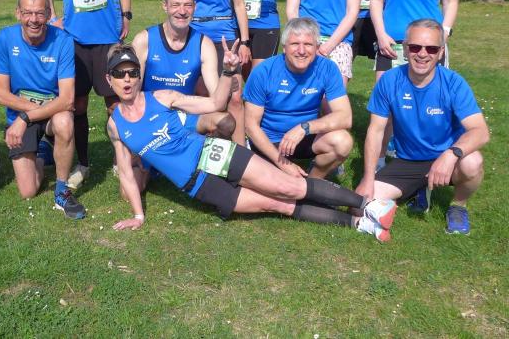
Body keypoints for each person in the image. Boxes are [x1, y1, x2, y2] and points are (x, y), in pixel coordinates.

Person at [104, 43, 397, 242]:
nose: (127, 79)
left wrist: (227, 71)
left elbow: (215, 103)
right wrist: (138, 215)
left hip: (213, 153)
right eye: (119, 74)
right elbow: (126, 173)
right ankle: (359, 224)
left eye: (133, 72)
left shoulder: (162, 97)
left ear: (139, 76)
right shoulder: (116, 126)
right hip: (197, 185)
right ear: (109, 80)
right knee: (278, 205)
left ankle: (370, 205)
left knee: (289, 187)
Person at [38, 0, 132, 190]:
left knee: (114, 105)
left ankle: (121, 159)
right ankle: (84, 163)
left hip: (107, 39)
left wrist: (126, 15)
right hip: (74, 41)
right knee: (76, 106)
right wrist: (52, 18)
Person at [356, 19, 489, 235]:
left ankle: (458, 206)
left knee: (473, 162)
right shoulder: (389, 80)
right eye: (415, 47)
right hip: (407, 160)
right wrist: (368, 178)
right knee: (360, 205)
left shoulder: (453, 83)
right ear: (405, 48)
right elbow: (375, 131)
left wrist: (451, 154)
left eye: (431, 49)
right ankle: (419, 189)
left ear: (441, 52)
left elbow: (480, 132)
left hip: (446, 160)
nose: (422, 54)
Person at [0, 0, 86, 219]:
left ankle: (61, 190)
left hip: (49, 116)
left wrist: (25, 117)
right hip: (28, 114)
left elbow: (67, 99)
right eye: (27, 13)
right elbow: (0, 94)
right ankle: (43, 152)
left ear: (48, 14)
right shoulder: (5, 38)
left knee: (64, 122)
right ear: (18, 13)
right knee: (28, 191)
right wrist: (35, 111)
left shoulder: (63, 41)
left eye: (40, 13)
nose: (33, 19)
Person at [170, 0, 251, 143]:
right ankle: (198, 147)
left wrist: (245, 42)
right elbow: (175, 6)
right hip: (194, 39)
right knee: (201, 96)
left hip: (226, 39)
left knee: (235, 97)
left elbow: (239, 4)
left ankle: (240, 150)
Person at [243, 18, 353, 179]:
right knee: (278, 189)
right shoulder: (263, 71)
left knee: (343, 141)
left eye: (308, 44)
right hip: (269, 141)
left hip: (304, 137)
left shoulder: (328, 68)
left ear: (317, 47)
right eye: (295, 44)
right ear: (284, 47)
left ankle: (313, 182)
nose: (301, 51)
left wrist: (304, 128)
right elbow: (251, 126)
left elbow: (345, 117)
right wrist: (283, 164)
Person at [131, 0, 234, 138]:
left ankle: (200, 150)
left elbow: (217, 102)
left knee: (226, 122)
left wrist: (227, 72)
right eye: (176, 5)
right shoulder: (144, 40)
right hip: (150, 116)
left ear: (195, 7)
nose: (182, 11)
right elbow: (132, 94)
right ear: (165, 6)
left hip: (186, 116)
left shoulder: (204, 44)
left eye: (187, 5)